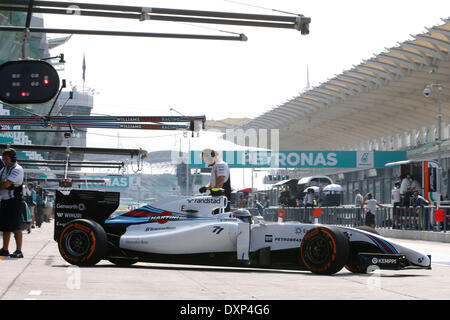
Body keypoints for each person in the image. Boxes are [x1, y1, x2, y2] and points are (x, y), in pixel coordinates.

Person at [0, 148, 25, 258]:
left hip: (15, 201)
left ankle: (19, 251)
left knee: (16, 227)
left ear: (13, 159)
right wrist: (4, 183)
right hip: (4, 200)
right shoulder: (3, 170)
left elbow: (6, 184)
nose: (5, 161)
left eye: (7, 159)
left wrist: (4, 183)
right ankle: (5, 249)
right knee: (5, 227)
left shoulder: (17, 169)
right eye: (3, 159)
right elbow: (4, 183)